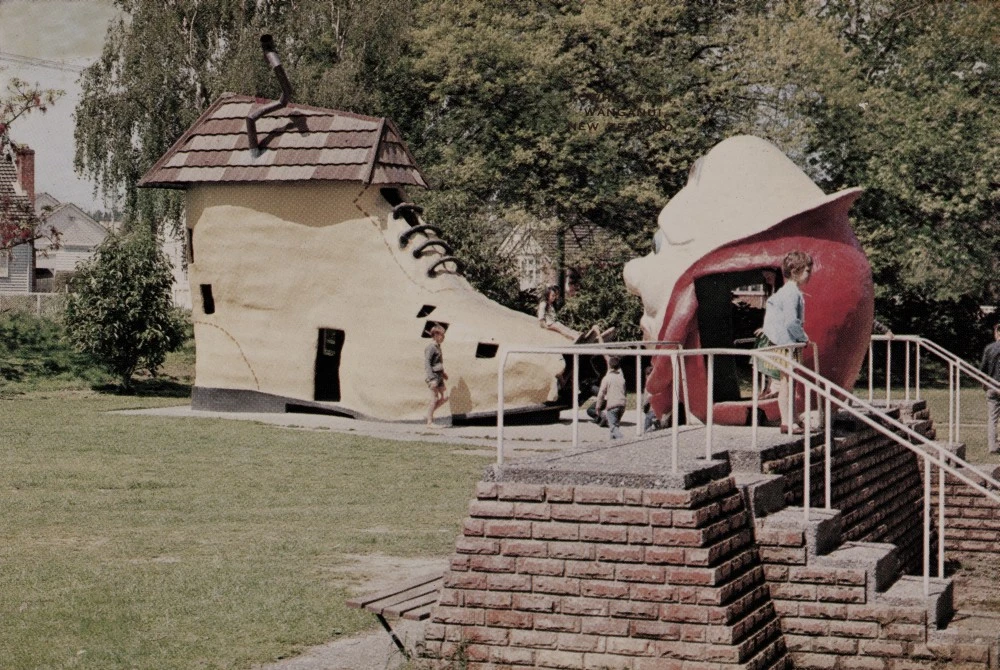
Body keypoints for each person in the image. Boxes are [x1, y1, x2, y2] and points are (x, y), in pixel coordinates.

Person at [760, 251, 814, 434]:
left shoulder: (786, 292)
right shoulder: (792, 293)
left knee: (790, 383)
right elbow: (791, 322)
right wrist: (803, 337)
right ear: (794, 270)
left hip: (785, 343)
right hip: (786, 344)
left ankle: (793, 418)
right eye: (807, 270)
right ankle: (786, 421)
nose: (809, 275)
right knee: (786, 383)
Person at [593, 355, 627, 440]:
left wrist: (598, 406)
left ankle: (622, 439)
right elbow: (625, 391)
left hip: (612, 405)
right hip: (622, 404)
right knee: (615, 425)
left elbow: (601, 394)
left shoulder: (607, 378)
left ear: (609, 365)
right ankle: (612, 444)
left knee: (613, 427)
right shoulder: (621, 378)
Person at [980, 323, 1000, 454]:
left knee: (992, 418)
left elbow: (983, 369)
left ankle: (992, 446)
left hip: (992, 385)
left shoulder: (989, 348)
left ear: (996, 333)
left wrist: (984, 384)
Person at [424, 325, 448, 426]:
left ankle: (429, 414)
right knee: (434, 399)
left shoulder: (438, 346)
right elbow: (427, 363)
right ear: (436, 335)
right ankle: (429, 422)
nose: (443, 337)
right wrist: (432, 378)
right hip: (434, 376)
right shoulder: (431, 347)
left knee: (445, 396)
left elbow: (437, 362)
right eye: (442, 335)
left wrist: (443, 373)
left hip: (439, 376)